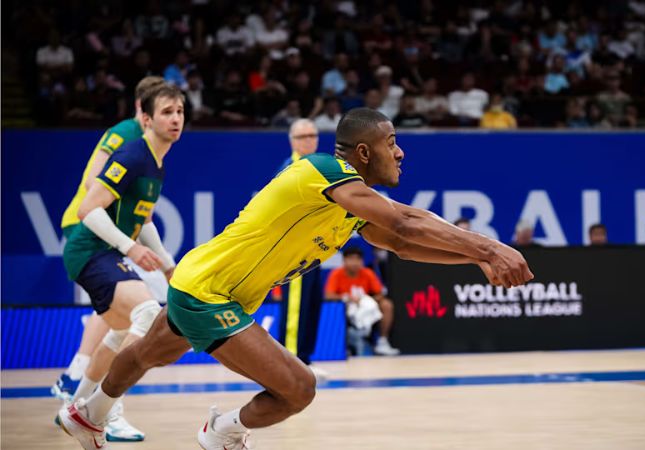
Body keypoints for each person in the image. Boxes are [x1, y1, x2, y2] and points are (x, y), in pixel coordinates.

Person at [58, 108, 533, 450]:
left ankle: (89, 413)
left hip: (210, 284)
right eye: (392, 143)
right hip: (208, 291)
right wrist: (490, 247)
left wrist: (472, 260)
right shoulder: (323, 170)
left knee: (146, 352)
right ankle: (222, 432)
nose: (401, 152)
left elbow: (404, 244)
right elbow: (406, 222)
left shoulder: (350, 204)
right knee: (299, 387)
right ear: (364, 151)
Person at [57, 84, 185, 448]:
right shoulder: (132, 154)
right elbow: (88, 209)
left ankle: (75, 406)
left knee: (119, 331)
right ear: (145, 118)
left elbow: (143, 221)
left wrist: (167, 264)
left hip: (107, 253)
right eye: (166, 112)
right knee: (146, 312)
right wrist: (129, 247)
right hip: (88, 249)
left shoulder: (157, 164)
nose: (175, 118)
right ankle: (100, 412)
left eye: (179, 111)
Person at [271, 118, 330, 382]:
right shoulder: (290, 169)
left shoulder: (317, 166)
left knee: (311, 303)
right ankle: (291, 363)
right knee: (294, 307)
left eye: (313, 135)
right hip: (295, 252)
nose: (309, 140)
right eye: (303, 136)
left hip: (315, 249)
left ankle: (305, 359)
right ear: (292, 141)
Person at [325, 247, 400, 356]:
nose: (354, 263)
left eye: (357, 259)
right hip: (347, 307)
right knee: (337, 308)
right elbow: (328, 296)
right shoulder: (336, 274)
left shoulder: (367, 273)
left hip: (365, 306)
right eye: (351, 259)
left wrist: (366, 300)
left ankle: (382, 341)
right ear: (344, 261)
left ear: (362, 261)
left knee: (386, 305)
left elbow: (380, 293)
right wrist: (347, 298)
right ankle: (344, 345)